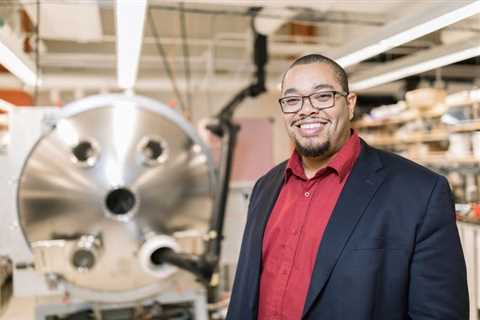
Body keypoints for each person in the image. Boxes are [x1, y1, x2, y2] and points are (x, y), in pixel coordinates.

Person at [226, 54, 469, 320]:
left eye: (322, 96)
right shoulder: (266, 186)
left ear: (350, 104)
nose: (306, 110)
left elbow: (439, 314)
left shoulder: (419, 192)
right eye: (293, 100)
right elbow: (245, 292)